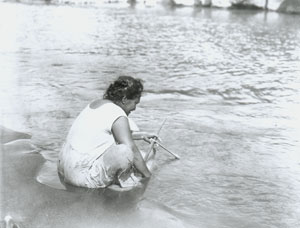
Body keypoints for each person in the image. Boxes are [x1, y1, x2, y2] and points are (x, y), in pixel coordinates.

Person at [58, 76, 157, 188]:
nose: (134, 108)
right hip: (81, 177)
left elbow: (104, 135)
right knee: (126, 152)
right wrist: (148, 176)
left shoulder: (97, 103)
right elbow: (132, 149)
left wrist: (141, 135)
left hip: (64, 169)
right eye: (135, 103)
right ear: (124, 99)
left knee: (131, 154)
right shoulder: (118, 114)